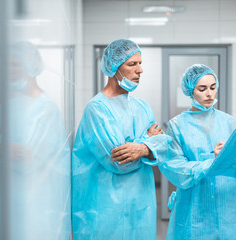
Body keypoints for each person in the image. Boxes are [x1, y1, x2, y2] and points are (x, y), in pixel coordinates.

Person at [72, 39, 171, 239]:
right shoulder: (97, 109)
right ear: (114, 68)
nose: (140, 70)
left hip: (141, 203)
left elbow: (161, 149)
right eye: (132, 64)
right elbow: (119, 162)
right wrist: (149, 144)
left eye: (140, 63)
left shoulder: (142, 107)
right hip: (106, 208)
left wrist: (142, 148)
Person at [158, 64, 236, 239]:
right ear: (190, 91)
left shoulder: (231, 123)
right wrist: (213, 161)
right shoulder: (177, 125)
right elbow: (176, 169)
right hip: (194, 207)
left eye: (213, 88)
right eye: (202, 89)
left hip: (228, 206)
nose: (209, 94)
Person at [0, 41, 71, 240]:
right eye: (7, 65)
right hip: (9, 198)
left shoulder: (46, 109)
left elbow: (28, 159)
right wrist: (1, 148)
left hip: (36, 201)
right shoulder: (8, 106)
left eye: (16, 64)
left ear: (31, 67)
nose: (10, 70)